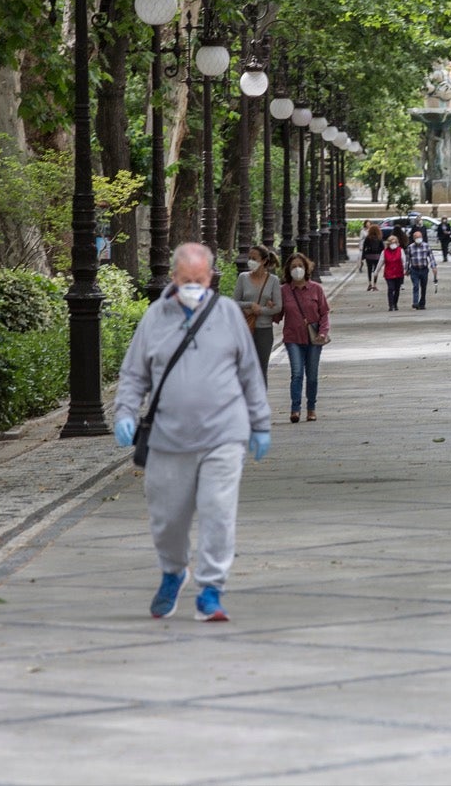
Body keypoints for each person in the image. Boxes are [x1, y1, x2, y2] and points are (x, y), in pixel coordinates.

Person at [112, 242, 271, 622]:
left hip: (224, 433)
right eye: (187, 280)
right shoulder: (155, 317)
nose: (194, 286)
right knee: (168, 517)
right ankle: (173, 570)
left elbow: (250, 372)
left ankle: (211, 590)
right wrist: (124, 412)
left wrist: (259, 423)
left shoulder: (229, 314)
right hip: (169, 437)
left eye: (200, 279)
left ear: (211, 278)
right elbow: (134, 374)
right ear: (173, 278)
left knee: (218, 511)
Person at [280, 252, 331, 423]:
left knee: (312, 375)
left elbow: (324, 314)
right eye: (293, 267)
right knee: (296, 374)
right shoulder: (284, 291)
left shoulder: (316, 289)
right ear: (288, 270)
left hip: (314, 339)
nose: (297, 269)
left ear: (306, 268)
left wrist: (323, 332)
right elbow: (277, 315)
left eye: (300, 266)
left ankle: (311, 408)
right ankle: (295, 409)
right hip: (292, 337)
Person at [233, 244, 283, 383]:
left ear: (264, 261)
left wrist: (261, 310)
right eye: (249, 258)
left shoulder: (273, 280)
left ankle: (260, 401)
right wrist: (249, 305)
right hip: (245, 329)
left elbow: (278, 306)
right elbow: (234, 302)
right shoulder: (243, 278)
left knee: (261, 369)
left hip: (264, 330)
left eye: (254, 258)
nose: (250, 261)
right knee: (244, 368)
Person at [406, 227, 436, 309]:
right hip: (414, 270)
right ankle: (415, 302)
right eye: (416, 238)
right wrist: (406, 269)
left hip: (424, 269)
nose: (418, 239)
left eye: (419, 237)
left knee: (423, 287)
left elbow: (431, 257)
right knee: (415, 286)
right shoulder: (410, 247)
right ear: (413, 238)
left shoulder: (426, 246)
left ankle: (422, 303)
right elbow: (407, 260)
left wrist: (434, 267)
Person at [382, 233, 407, 311]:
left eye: (394, 242)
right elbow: (380, 262)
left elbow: (404, 261)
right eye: (391, 243)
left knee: (397, 289)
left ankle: (395, 303)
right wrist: (376, 273)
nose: (393, 244)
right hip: (389, 273)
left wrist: (405, 269)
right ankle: (391, 305)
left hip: (398, 272)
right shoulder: (384, 252)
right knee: (390, 288)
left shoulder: (400, 250)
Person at [360, 224, 385, 291]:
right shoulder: (379, 238)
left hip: (369, 256)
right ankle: (375, 285)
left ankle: (369, 283)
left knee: (369, 270)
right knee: (376, 270)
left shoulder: (368, 238)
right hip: (377, 256)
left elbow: (364, 248)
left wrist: (363, 257)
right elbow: (383, 248)